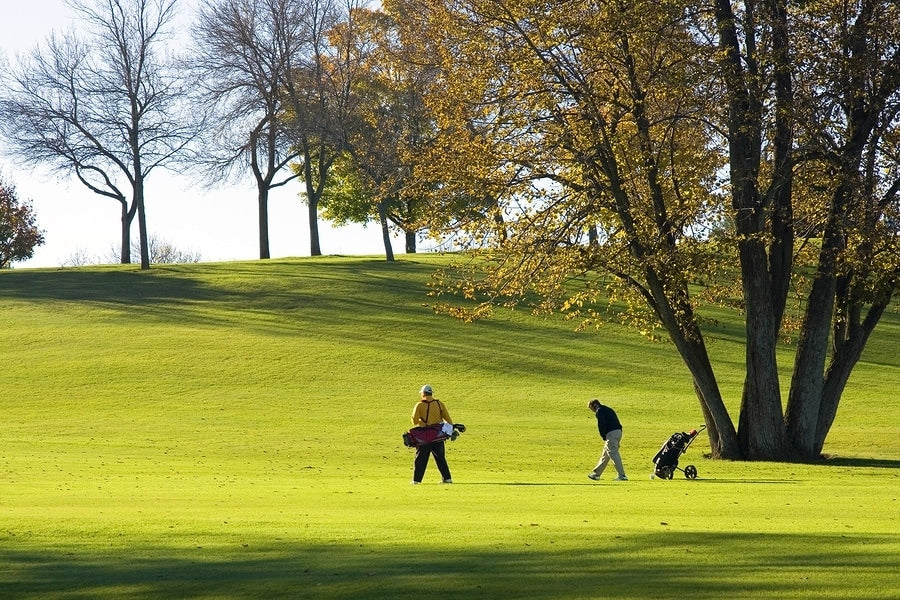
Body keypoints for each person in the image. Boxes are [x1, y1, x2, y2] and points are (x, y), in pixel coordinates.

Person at [410, 384, 454, 484]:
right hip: (438, 436)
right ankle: (447, 478)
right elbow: (449, 420)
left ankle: (416, 480)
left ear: (423, 393)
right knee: (440, 458)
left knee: (420, 459)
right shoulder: (439, 404)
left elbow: (415, 421)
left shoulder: (419, 405)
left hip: (424, 437)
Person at [587, 398, 628, 481]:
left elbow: (601, 425)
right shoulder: (607, 409)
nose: (592, 411)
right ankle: (597, 474)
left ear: (594, 405)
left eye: (591, 408)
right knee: (606, 453)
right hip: (618, 432)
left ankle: (622, 475)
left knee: (613, 453)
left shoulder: (600, 411)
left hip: (611, 433)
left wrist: (603, 436)